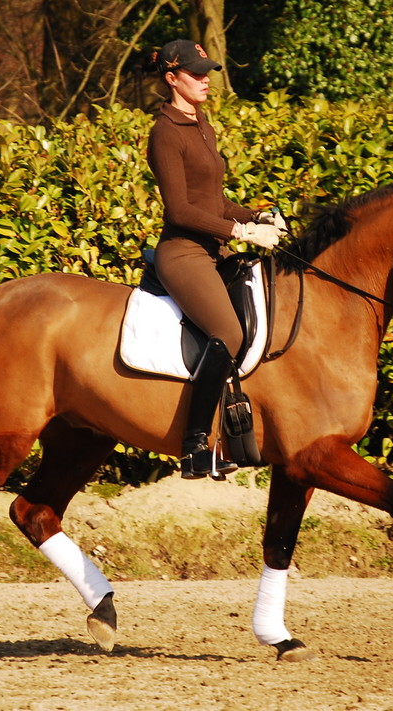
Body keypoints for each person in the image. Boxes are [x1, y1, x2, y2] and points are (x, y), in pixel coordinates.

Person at [146, 39, 287, 480]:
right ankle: (193, 447)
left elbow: (213, 200)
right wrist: (243, 232)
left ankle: (237, 431)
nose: (206, 79)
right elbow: (181, 211)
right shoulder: (165, 131)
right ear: (172, 79)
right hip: (183, 253)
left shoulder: (201, 122)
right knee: (227, 329)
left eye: (207, 71)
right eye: (195, 73)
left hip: (215, 249)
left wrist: (257, 214)